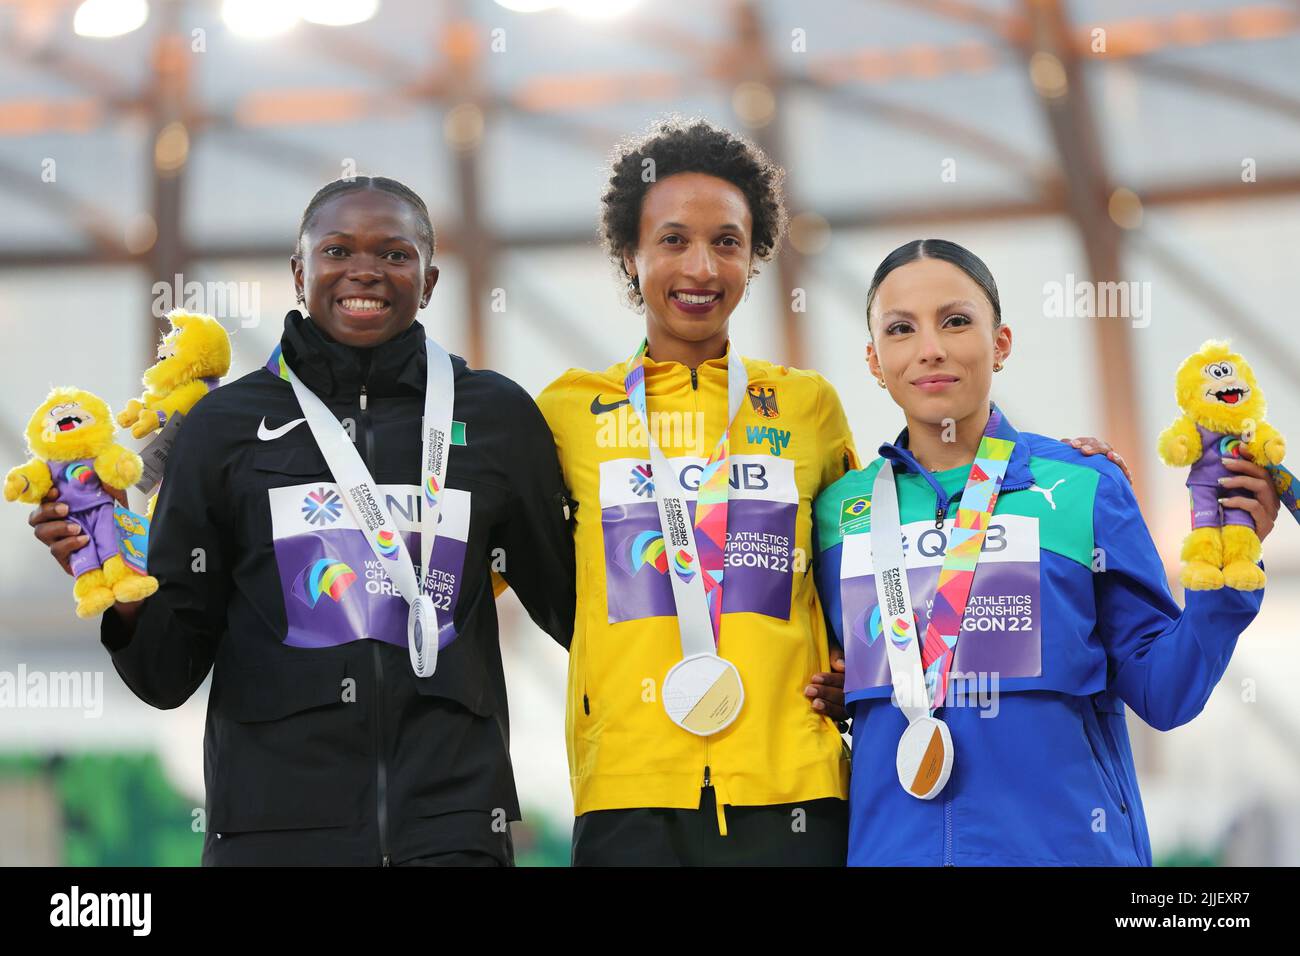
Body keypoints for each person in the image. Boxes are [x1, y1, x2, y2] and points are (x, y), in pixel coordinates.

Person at [534, 120, 1129, 866]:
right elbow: (530, 570)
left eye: (727, 241)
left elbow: (869, 547)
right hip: (627, 785)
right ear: (631, 254)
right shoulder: (565, 412)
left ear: (754, 258)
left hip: (796, 786)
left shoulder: (807, 408)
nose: (700, 266)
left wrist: (1054, 462)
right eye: (673, 240)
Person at [27, 176, 575, 866]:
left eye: (395, 254)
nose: (365, 271)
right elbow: (166, 674)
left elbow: (579, 611)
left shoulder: (495, 418)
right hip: (270, 834)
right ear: (299, 272)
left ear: (430, 279)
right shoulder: (223, 429)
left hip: (452, 832)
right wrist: (119, 590)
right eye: (338, 250)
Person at [810, 238, 1281, 865]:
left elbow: (1166, 693)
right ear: (874, 359)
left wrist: (1228, 566)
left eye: (956, 321)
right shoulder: (837, 515)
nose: (930, 348)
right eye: (901, 329)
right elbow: (831, 676)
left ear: (1001, 342)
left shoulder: (1084, 485)